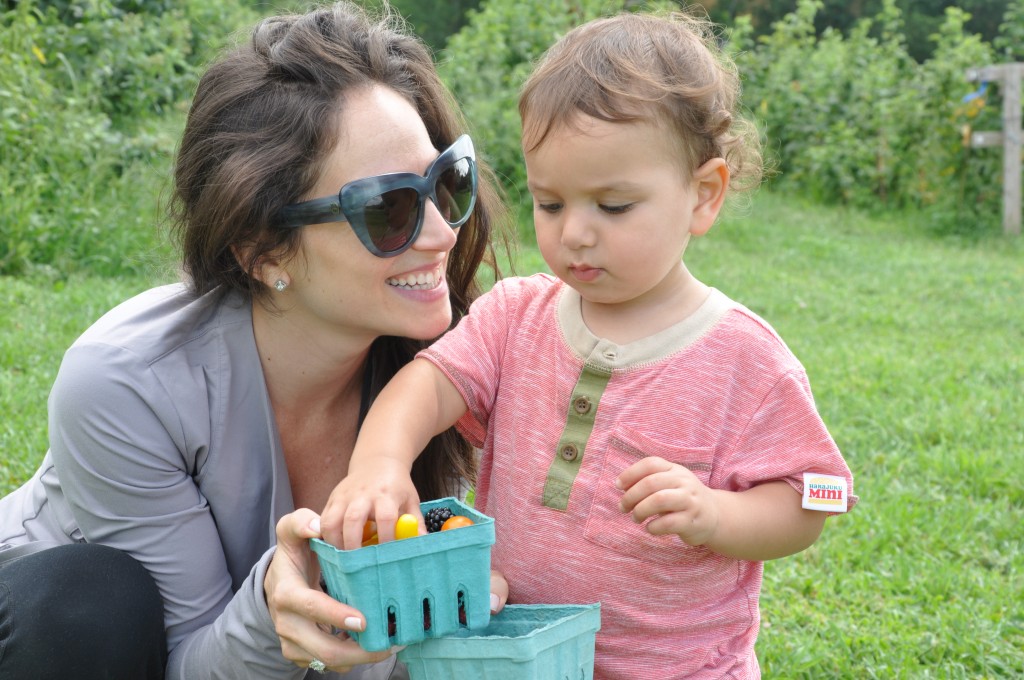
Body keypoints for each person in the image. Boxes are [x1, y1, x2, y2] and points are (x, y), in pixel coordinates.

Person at [320, 9, 858, 679]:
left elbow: (809, 502)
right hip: (518, 653)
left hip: (680, 668)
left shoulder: (746, 361)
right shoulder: (517, 316)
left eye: (613, 205)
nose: (574, 232)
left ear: (703, 194)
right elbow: (428, 384)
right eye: (551, 203)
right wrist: (380, 462)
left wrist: (715, 514)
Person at [0, 2, 509, 679]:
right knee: (90, 601)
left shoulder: (449, 363)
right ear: (265, 252)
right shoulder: (126, 382)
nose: (442, 233)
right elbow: (184, 663)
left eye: (446, 182)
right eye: (389, 209)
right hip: (64, 635)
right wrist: (280, 610)